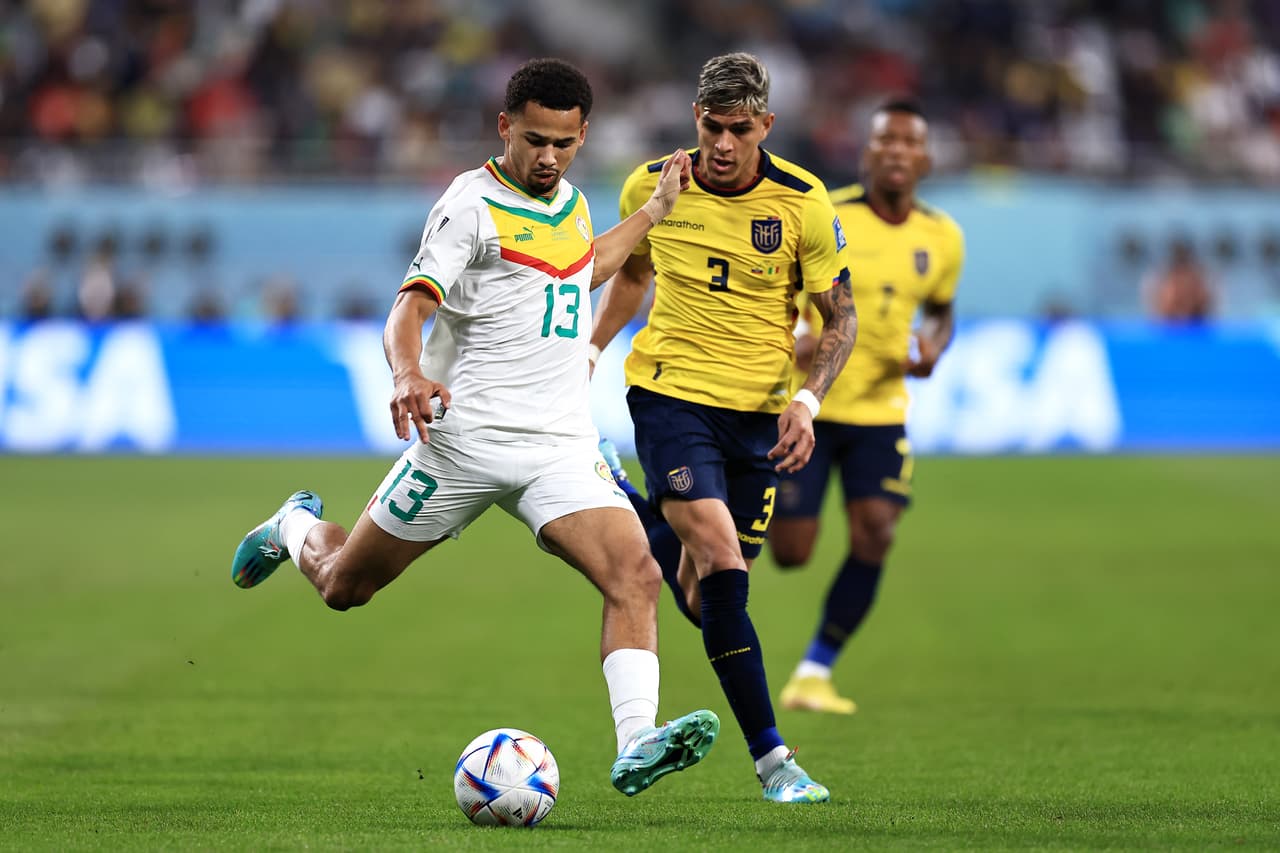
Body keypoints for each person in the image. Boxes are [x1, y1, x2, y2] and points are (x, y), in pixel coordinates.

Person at [229, 58, 720, 798]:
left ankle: (637, 740)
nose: (547, 156)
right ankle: (294, 525)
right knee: (342, 586)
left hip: (557, 441)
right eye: (533, 140)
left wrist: (653, 212)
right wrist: (406, 374)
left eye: (562, 142)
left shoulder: (575, 205)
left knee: (636, 574)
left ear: (583, 135)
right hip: (462, 444)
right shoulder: (469, 205)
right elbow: (411, 307)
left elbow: (579, 269)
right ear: (503, 127)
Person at [589, 52, 857, 804]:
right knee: (716, 552)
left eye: (740, 129)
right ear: (695, 120)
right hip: (670, 395)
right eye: (712, 126)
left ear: (766, 124)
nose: (724, 144)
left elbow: (840, 315)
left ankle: (626, 500)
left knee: (703, 595)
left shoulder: (802, 202)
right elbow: (635, 272)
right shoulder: (653, 186)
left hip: (760, 418)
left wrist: (806, 402)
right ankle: (776, 761)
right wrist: (590, 348)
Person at [768, 99, 965, 715]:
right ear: (868, 153)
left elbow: (940, 308)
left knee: (877, 529)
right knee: (791, 552)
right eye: (887, 141)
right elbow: (782, 281)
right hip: (811, 406)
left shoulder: (942, 236)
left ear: (926, 159)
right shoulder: (829, 213)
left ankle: (815, 671)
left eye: (911, 141)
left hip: (882, 410)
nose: (899, 151)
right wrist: (792, 334)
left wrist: (933, 347)